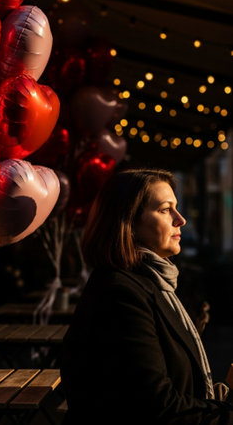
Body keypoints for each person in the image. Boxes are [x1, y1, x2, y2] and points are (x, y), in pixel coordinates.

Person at [61, 168, 233, 424]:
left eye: (176, 207)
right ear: (129, 222)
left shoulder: (152, 284)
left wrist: (222, 397)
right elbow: (155, 406)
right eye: (165, 209)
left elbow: (173, 386)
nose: (180, 219)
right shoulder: (120, 293)